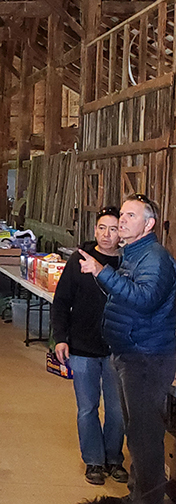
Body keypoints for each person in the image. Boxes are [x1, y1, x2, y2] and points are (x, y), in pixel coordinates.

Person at [78, 194, 176, 504]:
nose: (122, 220)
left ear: (149, 224)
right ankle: (138, 496)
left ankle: (147, 501)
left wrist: (101, 272)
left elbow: (146, 299)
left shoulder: (156, 258)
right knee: (136, 433)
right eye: (122, 214)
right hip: (131, 352)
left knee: (145, 436)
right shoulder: (134, 254)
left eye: (130, 216)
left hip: (147, 356)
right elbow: (129, 296)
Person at [52, 206, 126, 486]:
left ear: (122, 232)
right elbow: (61, 302)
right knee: (87, 407)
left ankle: (114, 459)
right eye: (102, 228)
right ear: (94, 230)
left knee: (117, 410)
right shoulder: (79, 260)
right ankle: (94, 461)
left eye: (114, 228)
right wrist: (61, 337)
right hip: (81, 347)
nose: (107, 235)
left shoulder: (127, 263)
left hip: (117, 349)